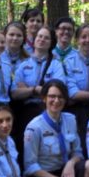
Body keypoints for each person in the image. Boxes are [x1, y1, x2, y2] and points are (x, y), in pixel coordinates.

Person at [23, 79, 89, 177]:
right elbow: (30, 167)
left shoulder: (70, 119)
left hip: (65, 171)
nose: (56, 100)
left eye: (60, 97)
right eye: (52, 96)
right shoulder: (34, 127)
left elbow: (77, 151)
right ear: (44, 98)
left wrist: (70, 164)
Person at [11, 25, 67, 155]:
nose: (42, 39)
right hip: (25, 112)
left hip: (47, 111)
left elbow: (58, 90)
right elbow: (15, 93)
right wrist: (35, 89)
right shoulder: (23, 65)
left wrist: (27, 89)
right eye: (39, 36)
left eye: (46, 38)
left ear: (51, 43)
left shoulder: (56, 65)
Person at [62, 23, 89, 145]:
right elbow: (73, 93)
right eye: (83, 37)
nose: (87, 40)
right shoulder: (69, 61)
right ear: (77, 40)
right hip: (76, 109)